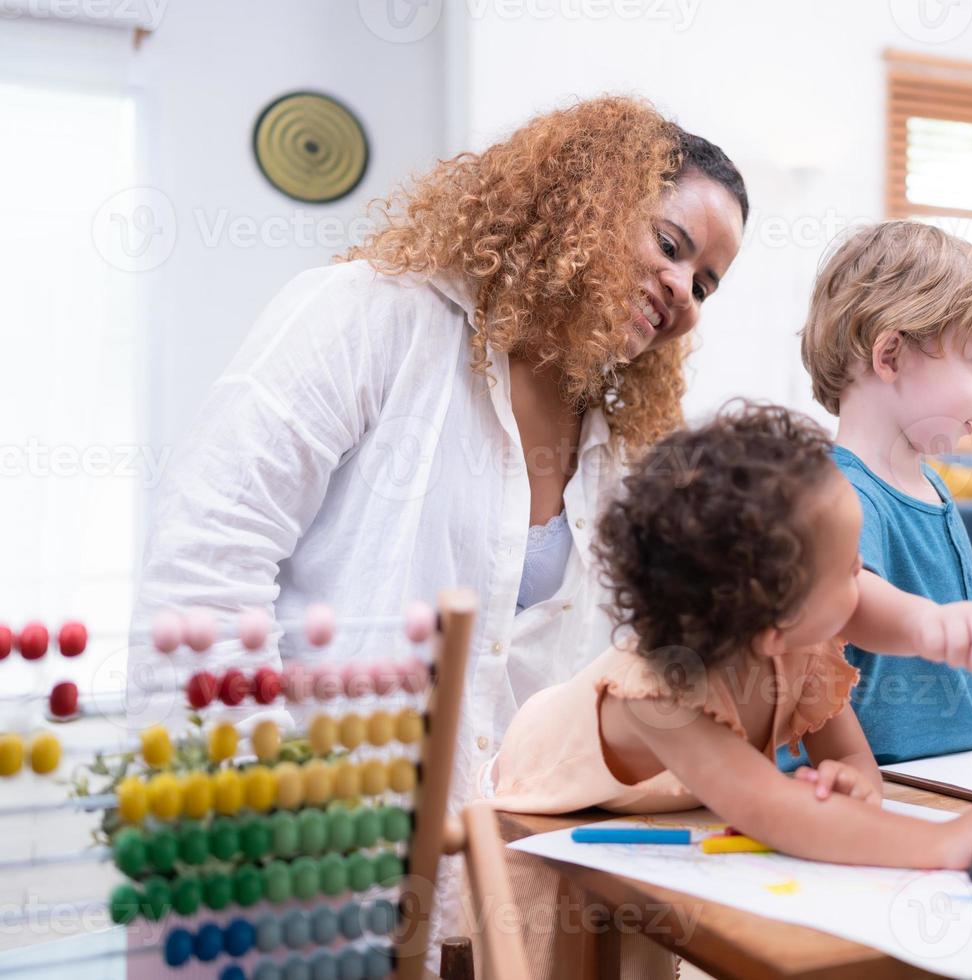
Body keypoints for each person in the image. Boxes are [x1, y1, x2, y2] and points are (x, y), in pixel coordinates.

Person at [129, 94, 751, 962]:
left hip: (502, 891)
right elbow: (208, 557)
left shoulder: (624, 445)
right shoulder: (370, 314)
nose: (683, 292)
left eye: (706, 284)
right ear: (589, 200)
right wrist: (243, 810)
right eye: (672, 246)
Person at [486, 403, 972, 977]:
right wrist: (941, 843)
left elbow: (848, 756)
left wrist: (855, 782)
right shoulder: (661, 698)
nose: (865, 584)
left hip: (661, 812)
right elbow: (782, 815)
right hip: (542, 805)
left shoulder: (803, 646)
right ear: (776, 624)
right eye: (850, 572)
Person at [789, 220, 972, 767]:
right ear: (891, 356)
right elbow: (846, 598)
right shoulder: (838, 488)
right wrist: (929, 623)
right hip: (867, 784)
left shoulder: (932, 487)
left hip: (944, 773)